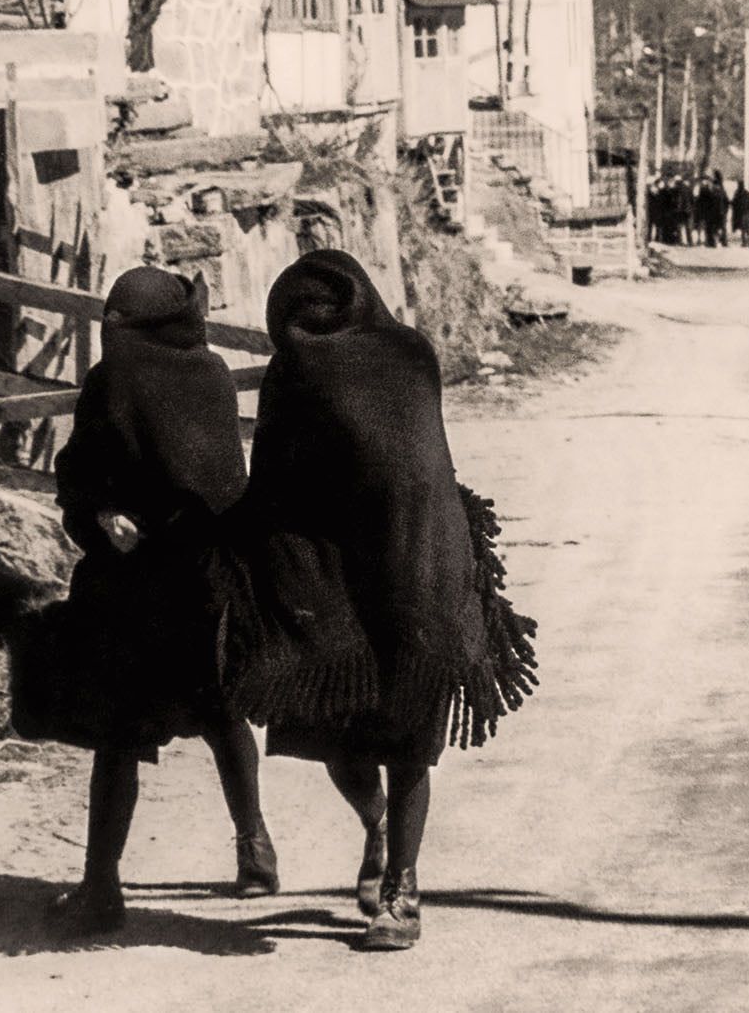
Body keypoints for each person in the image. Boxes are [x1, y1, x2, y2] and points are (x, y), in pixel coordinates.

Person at [218, 250, 539, 952]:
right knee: (338, 734)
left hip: (412, 560)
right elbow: (276, 479)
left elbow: (410, 459)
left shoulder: (395, 357)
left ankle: (403, 890)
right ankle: (379, 827)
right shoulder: (344, 362)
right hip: (343, 567)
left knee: (409, 741)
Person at [35, 266, 278, 936]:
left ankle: (101, 889)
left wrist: (100, 515)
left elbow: (80, 476)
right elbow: (223, 479)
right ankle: (254, 852)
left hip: (135, 585)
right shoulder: (211, 372)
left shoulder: (112, 379)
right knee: (224, 714)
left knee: (118, 738)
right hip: (208, 580)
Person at [731, 180, 749, 248]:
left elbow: (734, 203)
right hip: (747, 213)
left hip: (741, 214)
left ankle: (744, 241)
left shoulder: (737, 193)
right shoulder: (747, 193)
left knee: (743, 228)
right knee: (747, 228)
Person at [710, 170, 731, 248]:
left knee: (715, 227)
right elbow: (727, 201)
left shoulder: (714, 191)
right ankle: (724, 242)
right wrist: (725, 210)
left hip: (715, 212)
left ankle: (715, 241)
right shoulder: (722, 190)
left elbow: (711, 202)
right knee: (723, 227)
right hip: (722, 212)